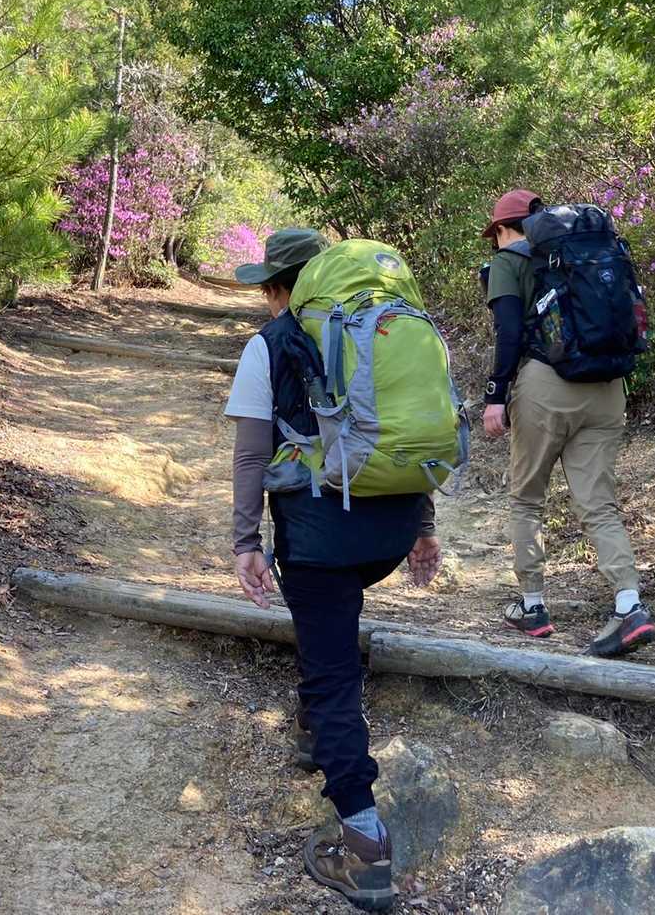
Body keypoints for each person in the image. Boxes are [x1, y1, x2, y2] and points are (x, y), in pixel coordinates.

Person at [225, 227, 442, 913]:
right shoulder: (383, 329)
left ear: (280, 289)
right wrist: (424, 528)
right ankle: (313, 729)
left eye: (267, 287)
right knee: (329, 637)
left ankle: (364, 847)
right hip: (392, 528)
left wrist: (245, 542)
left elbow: (250, 456)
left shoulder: (269, 344)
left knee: (333, 674)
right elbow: (408, 432)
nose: (265, 300)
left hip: (321, 539)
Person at [480, 190, 655, 658]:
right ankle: (629, 606)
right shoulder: (587, 251)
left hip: (547, 386)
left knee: (527, 498)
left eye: (495, 234)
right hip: (607, 387)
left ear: (504, 229)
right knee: (599, 504)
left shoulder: (507, 261)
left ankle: (533, 605)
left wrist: (496, 395)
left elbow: (509, 332)